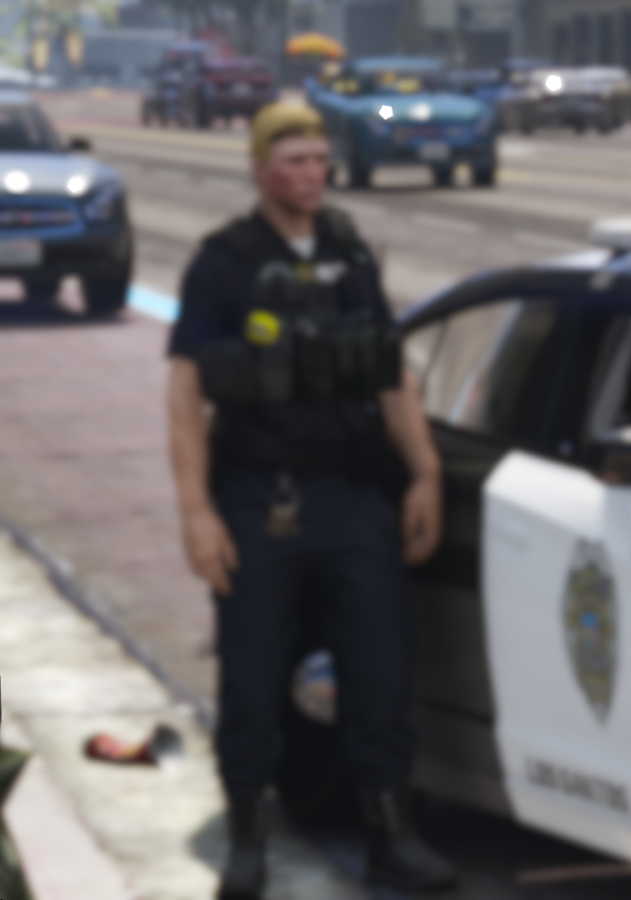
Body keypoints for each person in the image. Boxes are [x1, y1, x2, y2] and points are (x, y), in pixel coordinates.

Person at [165, 102, 456, 899]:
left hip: (354, 497)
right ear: (260, 169)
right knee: (253, 678)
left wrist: (425, 473)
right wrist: (196, 512)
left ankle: (392, 838)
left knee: (380, 670)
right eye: (294, 160)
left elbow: (391, 374)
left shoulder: (350, 253)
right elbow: (186, 396)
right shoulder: (222, 265)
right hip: (260, 500)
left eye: (320, 159)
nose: (312, 174)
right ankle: (248, 842)